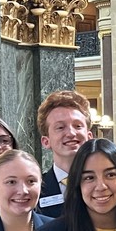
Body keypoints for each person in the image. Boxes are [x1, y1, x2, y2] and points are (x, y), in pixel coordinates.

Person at [37, 90, 92, 218]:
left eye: (78, 126)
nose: (71, 133)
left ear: (89, 136)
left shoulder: (106, 185)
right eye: (60, 127)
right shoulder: (36, 190)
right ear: (46, 141)